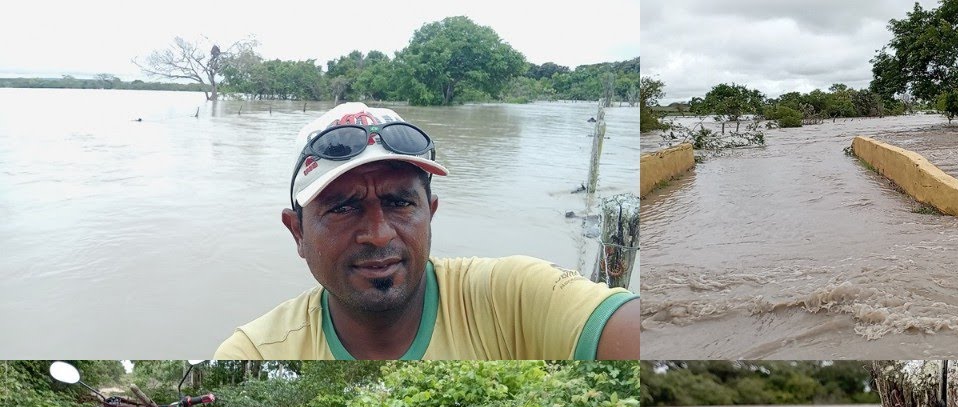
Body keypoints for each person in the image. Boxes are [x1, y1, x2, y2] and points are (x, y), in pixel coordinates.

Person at [214, 102, 639, 360]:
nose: (379, 234)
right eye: (343, 208)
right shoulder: (258, 349)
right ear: (298, 234)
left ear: (430, 213)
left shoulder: (512, 297)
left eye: (400, 203)